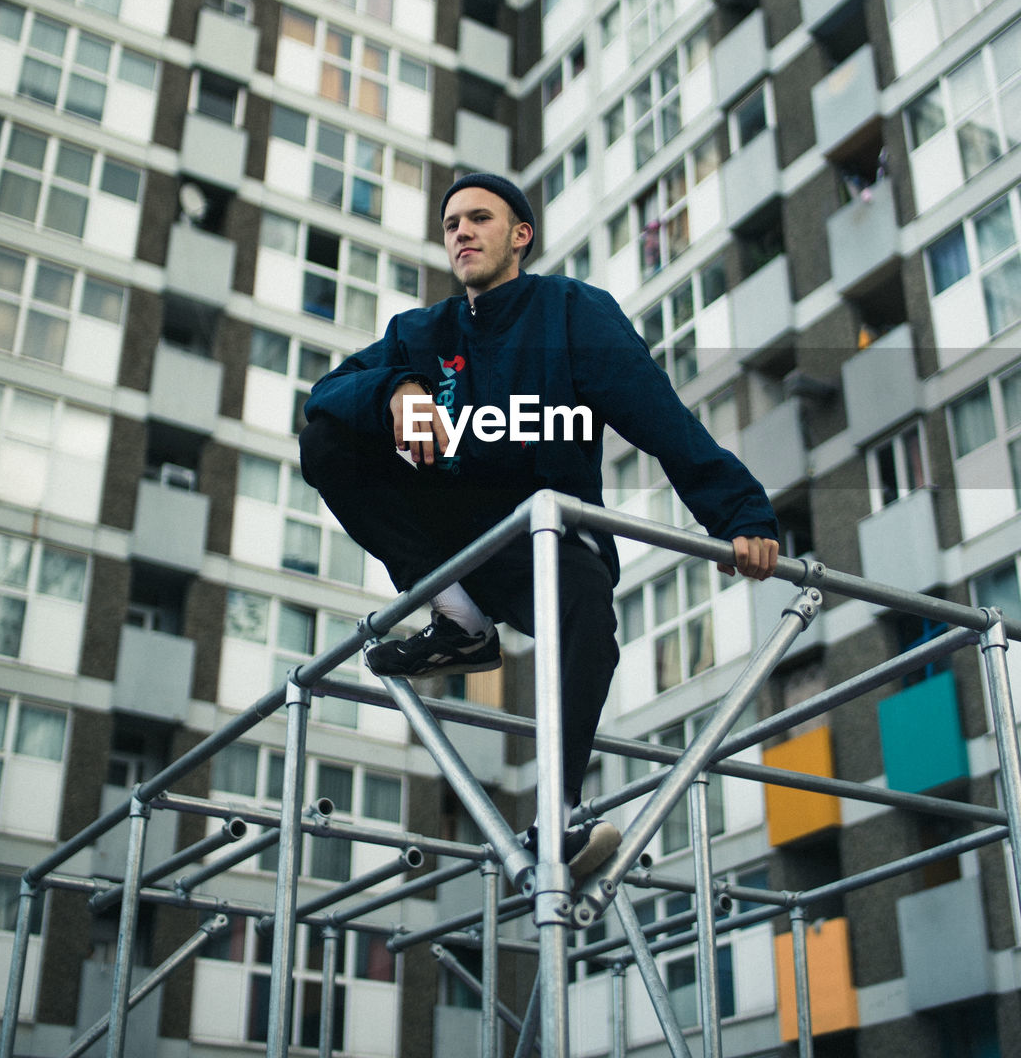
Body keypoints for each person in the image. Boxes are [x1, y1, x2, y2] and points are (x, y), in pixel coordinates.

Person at [299, 172, 779, 877]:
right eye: (451, 223)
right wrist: (398, 390)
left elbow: (661, 417)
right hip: (455, 537)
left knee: (588, 611)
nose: (461, 231)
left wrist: (741, 516)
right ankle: (458, 622)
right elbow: (328, 392)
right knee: (326, 440)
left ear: (520, 236)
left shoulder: (570, 312)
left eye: (479, 219)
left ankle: (556, 820)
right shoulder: (420, 333)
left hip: (543, 535)